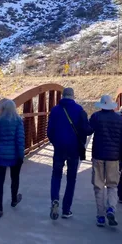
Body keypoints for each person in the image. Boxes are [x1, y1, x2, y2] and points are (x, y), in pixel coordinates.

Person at [47, 87, 92, 220]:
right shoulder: (79, 110)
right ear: (73, 96)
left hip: (59, 148)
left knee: (56, 175)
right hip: (74, 149)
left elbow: (49, 131)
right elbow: (86, 130)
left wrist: (56, 143)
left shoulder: (55, 110)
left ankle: (55, 200)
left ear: (62, 96)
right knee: (71, 179)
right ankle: (66, 210)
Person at [89, 95, 122, 227]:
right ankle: (111, 208)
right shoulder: (119, 119)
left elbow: (88, 131)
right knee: (112, 186)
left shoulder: (96, 117)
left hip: (98, 155)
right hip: (114, 157)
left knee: (98, 186)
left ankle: (100, 217)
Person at [0, 99, 25, 218]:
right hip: (14, 155)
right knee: (14, 178)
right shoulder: (18, 121)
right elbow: (20, 140)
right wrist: (21, 155)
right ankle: (14, 200)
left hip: (0, 154)